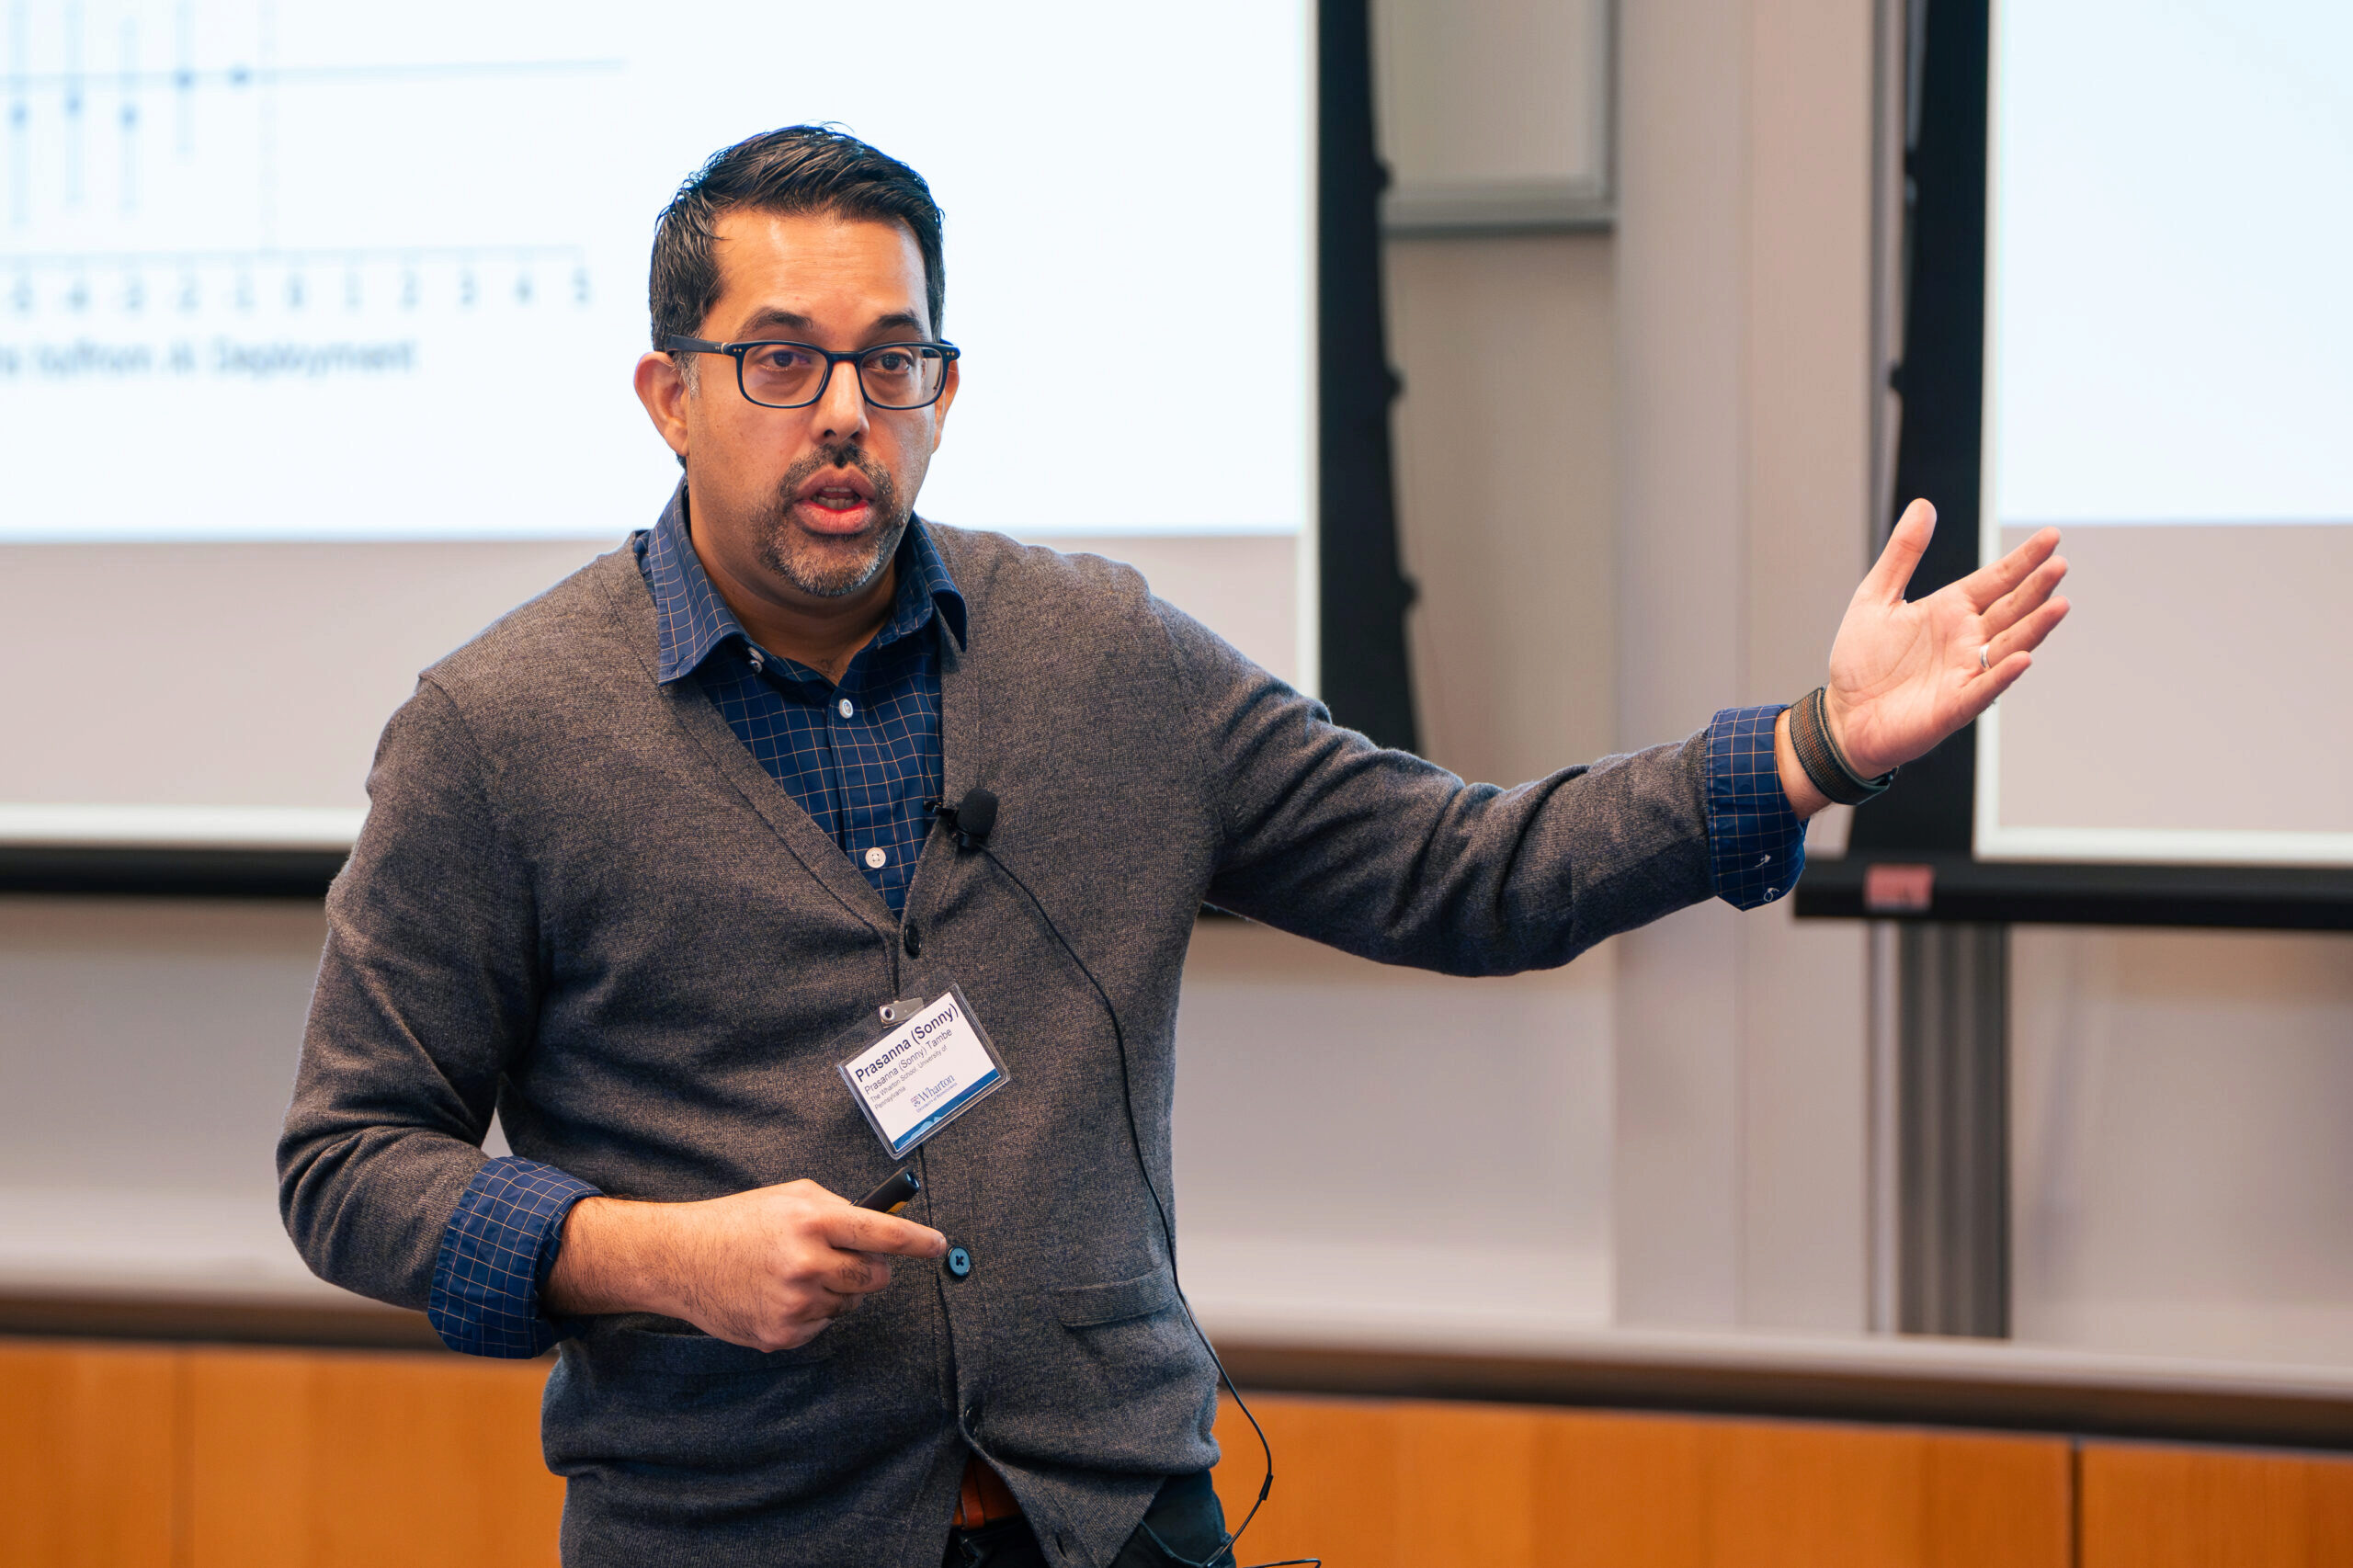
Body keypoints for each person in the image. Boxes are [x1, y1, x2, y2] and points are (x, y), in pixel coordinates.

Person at [278, 126, 2068, 1568]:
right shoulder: (499, 731)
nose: (843, 409)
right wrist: (645, 1255)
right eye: (781, 360)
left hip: (1117, 1517)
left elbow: (1466, 869)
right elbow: (347, 1159)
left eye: (891, 360)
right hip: (729, 1534)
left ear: (942, 390)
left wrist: (1813, 748)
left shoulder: (1100, 658)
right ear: (668, 396)